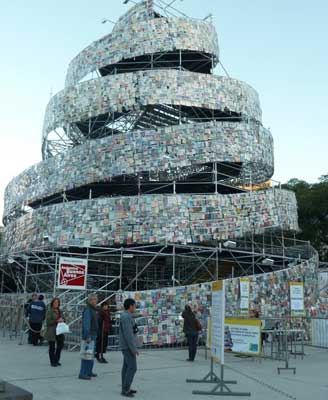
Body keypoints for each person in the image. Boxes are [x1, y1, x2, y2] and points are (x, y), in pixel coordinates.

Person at [119, 298, 139, 398]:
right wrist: (133, 349)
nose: (135, 308)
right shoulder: (126, 317)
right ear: (130, 306)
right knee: (132, 367)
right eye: (134, 306)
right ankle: (125, 389)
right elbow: (128, 335)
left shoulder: (127, 316)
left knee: (126, 367)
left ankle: (125, 387)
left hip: (127, 346)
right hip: (127, 347)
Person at [79, 294, 98, 380]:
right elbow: (86, 324)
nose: (95, 301)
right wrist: (88, 335)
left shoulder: (93, 309)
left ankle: (89, 371)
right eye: (93, 299)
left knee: (91, 354)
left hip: (93, 334)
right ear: (89, 301)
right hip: (89, 335)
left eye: (96, 299)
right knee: (87, 354)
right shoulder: (88, 310)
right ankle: (83, 373)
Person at [45, 297, 65, 367]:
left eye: (57, 303)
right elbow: (48, 322)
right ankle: (52, 361)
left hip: (59, 330)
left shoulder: (60, 310)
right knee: (52, 347)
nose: (56, 304)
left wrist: (63, 319)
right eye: (55, 302)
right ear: (52, 303)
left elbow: (64, 318)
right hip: (52, 330)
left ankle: (56, 360)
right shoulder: (49, 311)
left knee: (60, 346)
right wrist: (56, 320)